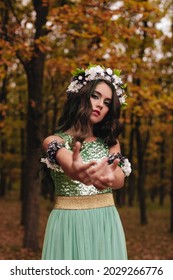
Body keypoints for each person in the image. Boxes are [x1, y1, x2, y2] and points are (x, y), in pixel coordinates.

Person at [41, 65, 132, 260]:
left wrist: (110, 177)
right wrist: (73, 169)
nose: (100, 105)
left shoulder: (111, 143)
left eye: (107, 102)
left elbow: (118, 178)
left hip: (105, 223)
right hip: (67, 225)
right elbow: (66, 159)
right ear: (81, 95)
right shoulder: (54, 141)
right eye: (95, 96)